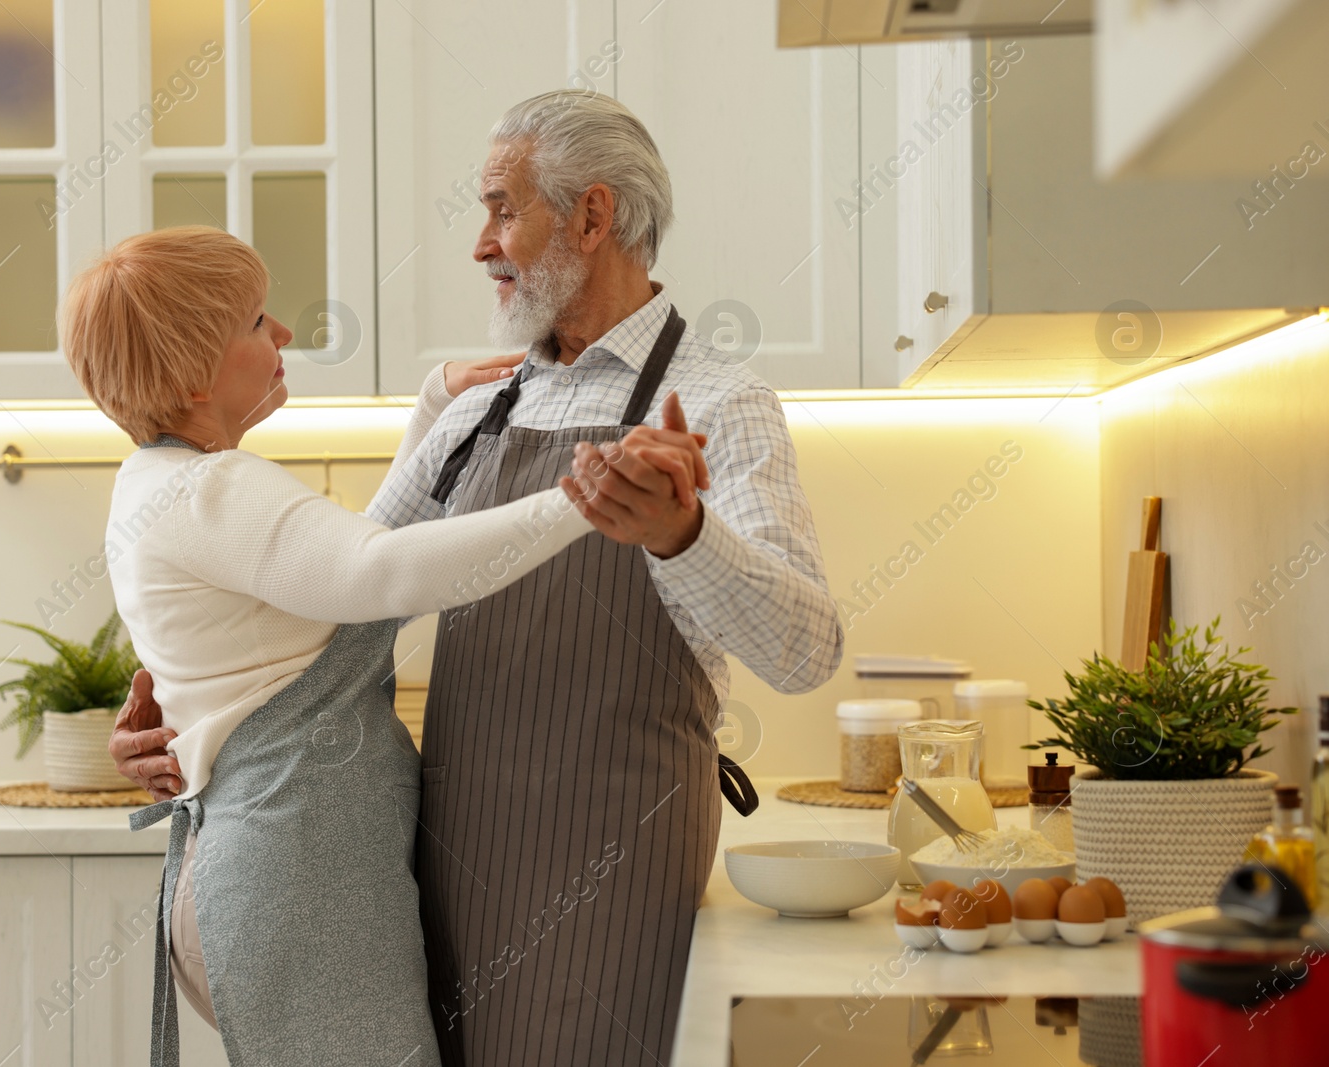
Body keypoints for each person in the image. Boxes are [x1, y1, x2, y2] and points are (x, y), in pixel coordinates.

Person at [114, 91, 844, 1066]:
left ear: (590, 217)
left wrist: (683, 533)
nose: (480, 245)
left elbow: (804, 652)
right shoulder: (477, 410)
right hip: (439, 864)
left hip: (611, 865)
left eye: (503, 208)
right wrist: (186, 702)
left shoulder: (716, 403)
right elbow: (340, 595)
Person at [62, 225, 708, 1067]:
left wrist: (431, 411)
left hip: (261, 880)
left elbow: (339, 573)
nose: (285, 334)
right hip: (298, 883)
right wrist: (582, 500)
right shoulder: (213, 487)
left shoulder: (157, 483)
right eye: (258, 323)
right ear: (194, 372)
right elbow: (380, 572)